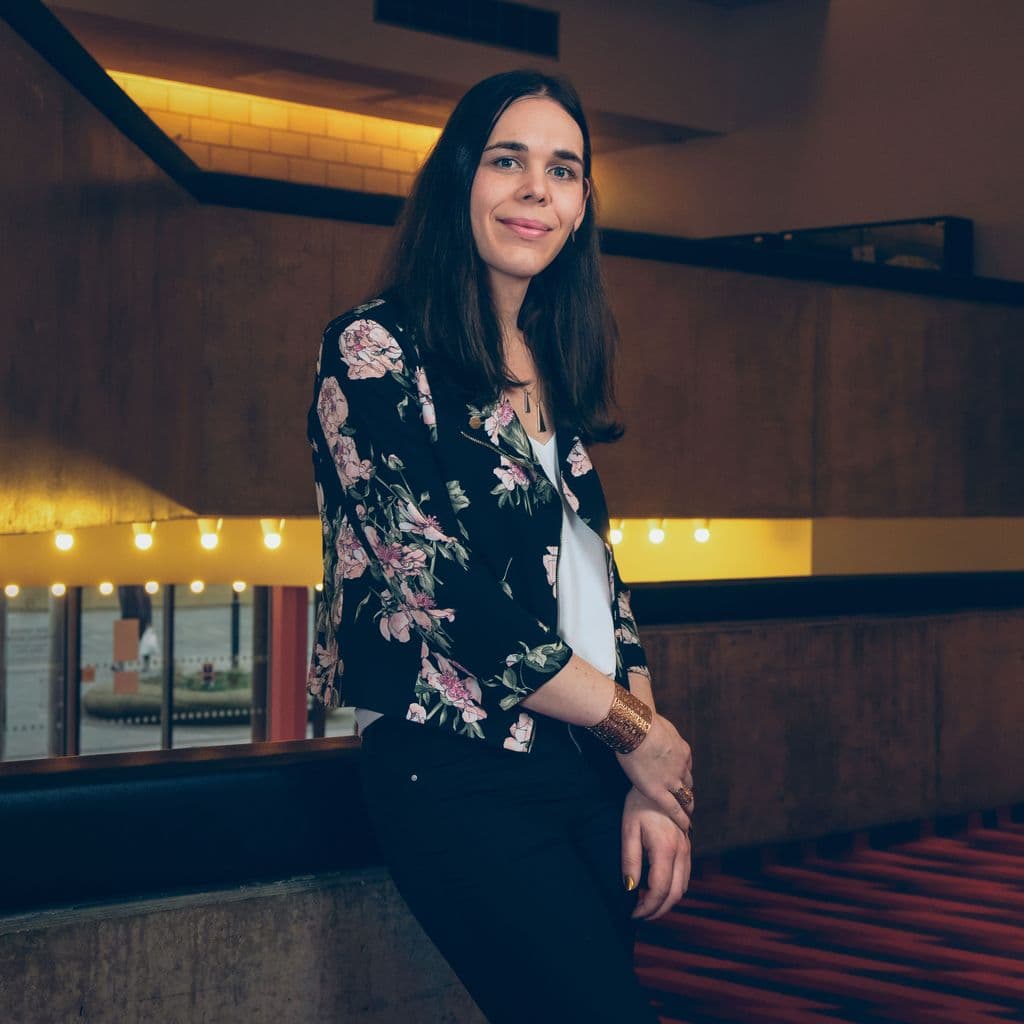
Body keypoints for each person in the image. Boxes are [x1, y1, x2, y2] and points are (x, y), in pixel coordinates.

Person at [306, 69, 694, 1024]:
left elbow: (602, 586)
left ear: (580, 207)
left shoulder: (552, 362)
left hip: (583, 768)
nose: (536, 189)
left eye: (563, 170)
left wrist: (650, 778)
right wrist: (642, 733)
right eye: (507, 160)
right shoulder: (373, 348)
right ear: (458, 181)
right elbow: (440, 589)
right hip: (454, 768)